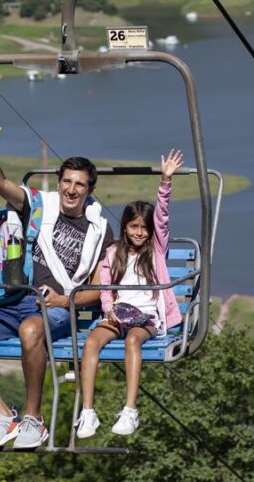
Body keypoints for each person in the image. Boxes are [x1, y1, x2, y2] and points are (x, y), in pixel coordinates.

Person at [0, 110, 115, 450]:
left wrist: (65, 301)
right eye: (66, 181)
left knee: (31, 330)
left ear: (90, 189)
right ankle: (4, 416)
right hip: (10, 301)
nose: (71, 189)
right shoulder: (37, 205)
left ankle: (34, 418)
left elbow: (99, 288)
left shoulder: (100, 231)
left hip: (55, 309)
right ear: (59, 181)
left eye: (79, 184)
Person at [75, 148, 184, 438]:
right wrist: (109, 308)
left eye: (144, 229)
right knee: (91, 342)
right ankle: (87, 411)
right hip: (118, 315)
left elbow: (162, 217)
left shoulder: (156, 251)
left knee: (133, 341)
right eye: (133, 227)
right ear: (124, 227)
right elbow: (106, 288)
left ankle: (130, 410)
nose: (139, 233)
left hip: (146, 317)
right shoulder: (113, 253)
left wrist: (165, 182)